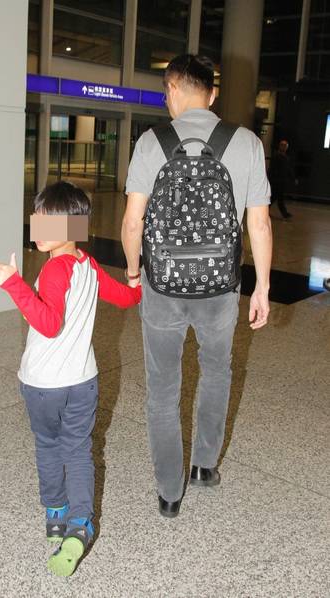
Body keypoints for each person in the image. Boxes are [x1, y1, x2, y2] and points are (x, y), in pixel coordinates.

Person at [122, 54, 272, 518]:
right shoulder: (246, 142)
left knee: (162, 388)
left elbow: (132, 222)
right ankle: (204, 466)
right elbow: (260, 224)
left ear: (171, 89)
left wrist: (134, 273)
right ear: (213, 94)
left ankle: (169, 493)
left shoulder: (152, 141)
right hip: (220, 287)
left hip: (162, 285)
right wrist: (262, 288)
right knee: (217, 373)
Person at [0, 181, 141, 576]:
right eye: (37, 219)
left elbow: (48, 323)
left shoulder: (56, 268)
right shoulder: (87, 264)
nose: (37, 229)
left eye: (47, 221)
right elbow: (124, 297)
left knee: (48, 446)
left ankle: (56, 514)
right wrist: (135, 283)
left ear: (72, 226)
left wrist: (13, 284)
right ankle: (80, 524)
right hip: (83, 382)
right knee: (77, 451)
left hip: (44, 385)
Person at [269, 139, 295, 219]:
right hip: (277, 181)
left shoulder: (285, 157)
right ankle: (285, 214)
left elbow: (288, 169)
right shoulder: (276, 156)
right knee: (276, 197)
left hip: (281, 181)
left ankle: (284, 214)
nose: (284, 147)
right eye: (282, 145)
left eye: (285, 146)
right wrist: (271, 179)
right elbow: (272, 169)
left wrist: (292, 177)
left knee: (276, 197)